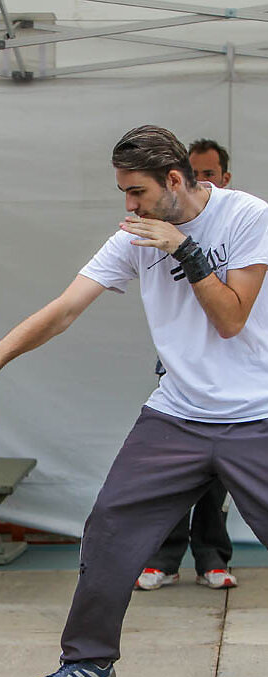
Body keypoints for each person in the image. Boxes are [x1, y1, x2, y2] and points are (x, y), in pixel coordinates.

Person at [0, 126, 268, 677]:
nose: (129, 206)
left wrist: (183, 248)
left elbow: (231, 319)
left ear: (174, 180)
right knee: (110, 530)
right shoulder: (133, 238)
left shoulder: (247, 217)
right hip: (177, 415)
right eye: (124, 193)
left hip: (256, 414)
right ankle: (89, 664)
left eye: (137, 191)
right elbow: (65, 309)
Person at [137, 138, 237, 592]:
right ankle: (163, 558)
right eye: (194, 172)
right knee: (172, 470)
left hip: (232, 377)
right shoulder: (161, 226)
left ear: (224, 178)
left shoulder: (242, 223)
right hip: (181, 373)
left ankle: (212, 556)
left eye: (209, 173)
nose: (201, 180)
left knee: (219, 476)